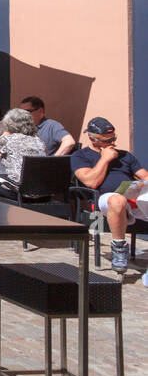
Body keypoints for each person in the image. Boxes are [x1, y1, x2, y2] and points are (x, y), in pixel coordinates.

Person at [72, 117, 147, 273]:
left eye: (114, 139)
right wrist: (105, 159)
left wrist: (142, 184)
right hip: (103, 201)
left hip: (132, 198)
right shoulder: (80, 156)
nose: (112, 143)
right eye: (107, 141)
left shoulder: (126, 156)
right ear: (92, 139)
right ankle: (119, 248)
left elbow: (144, 175)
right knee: (117, 199)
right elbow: (90, 182)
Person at [0, 107, 48, 195]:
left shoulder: (8, 139)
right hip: (43, 192)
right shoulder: (39, 140)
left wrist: (5, 134)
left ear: (9, 125)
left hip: (20, 192)